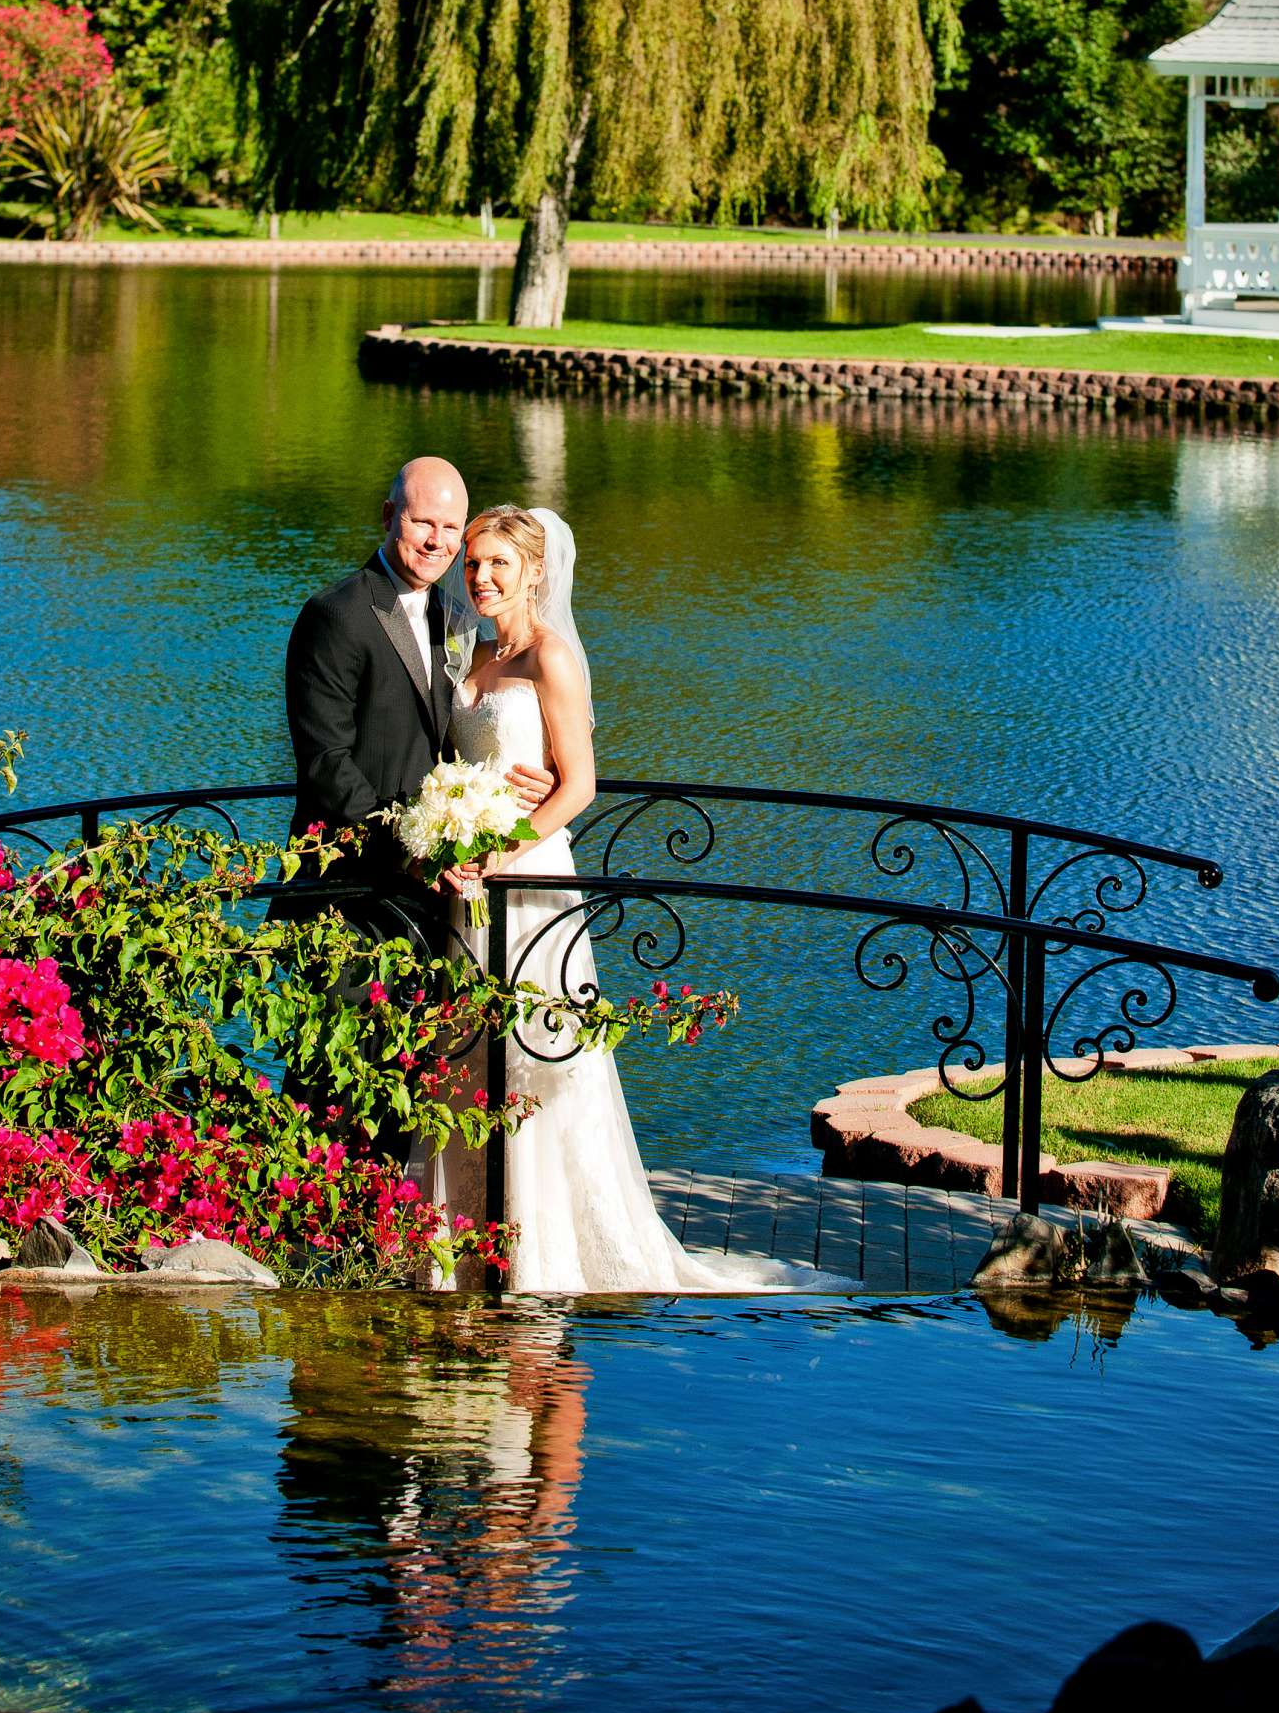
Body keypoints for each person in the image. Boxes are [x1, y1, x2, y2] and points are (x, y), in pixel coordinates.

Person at [412, 502, 855, 1296]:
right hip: (467, 887)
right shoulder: (470, 655)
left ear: (535, 573)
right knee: (469, 1055)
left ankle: (544, 1246)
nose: (479, 577)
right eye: (472, 563)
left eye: (497, 565)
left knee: (539, 1058)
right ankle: (466, 1243)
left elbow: (578, 785)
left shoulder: (553, 658)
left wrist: (499, 852)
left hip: (528, 880)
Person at [282, 457, 552, 927]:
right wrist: (409, 852)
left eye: (451, 527)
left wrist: (530, 781)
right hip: (352, 892)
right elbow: (326, 763)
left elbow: (461, 734)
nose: (437, 541)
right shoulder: (334, 614)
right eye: (423, 522)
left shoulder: (455, 618)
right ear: (389, 517)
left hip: (434, 901)